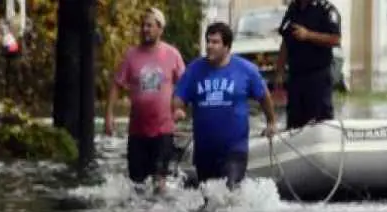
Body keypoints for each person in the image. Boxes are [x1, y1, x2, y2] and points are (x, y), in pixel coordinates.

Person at [173, 22, 278, 189]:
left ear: (227, 46)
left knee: (229, 190)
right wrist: (177, 110)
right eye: (208, 41)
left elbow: (264, 96)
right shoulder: (194, 70)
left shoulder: (246, 70)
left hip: (234, 148)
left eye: (215, 42)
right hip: (204, 150)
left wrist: (271, 122)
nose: (209, 46)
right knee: (209, 197)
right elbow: (179, 98)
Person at [105, 8, 187, 191]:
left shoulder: (172, 54)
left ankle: (160, 207)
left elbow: (185, 84)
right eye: (143, 25)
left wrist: (180, 107)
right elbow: (117, 85)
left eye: (149, 26)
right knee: (137, 184)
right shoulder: (131, 55)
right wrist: (109, 115)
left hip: (163, 130)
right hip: (137, 130)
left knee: (159, 181)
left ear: (160, 29)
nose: (145, 29)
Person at [276, 0, 342, 129]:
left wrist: (308, 35)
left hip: (317, 77)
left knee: (319, 123)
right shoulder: (293, 8)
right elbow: (285, 42)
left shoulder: (326, 9)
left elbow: (335, 39)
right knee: (294, 123)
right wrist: (279, 72)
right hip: (295, 77)